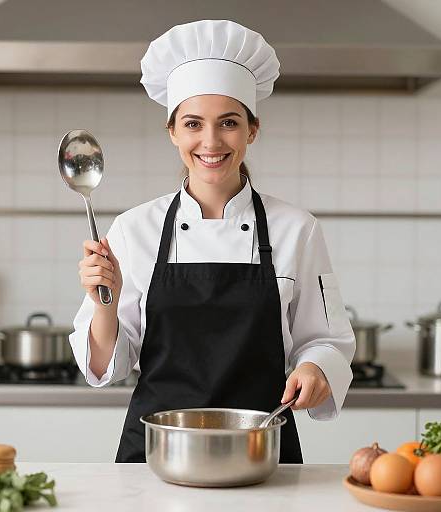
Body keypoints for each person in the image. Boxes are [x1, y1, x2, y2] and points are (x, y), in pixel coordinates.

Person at [69, 19, 356, 464]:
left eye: (228, 123)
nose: (210, 141)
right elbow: (107, 367)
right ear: (172, 132)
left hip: (261, 450)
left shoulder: (296, 228)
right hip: (156, 457)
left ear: (251, 130)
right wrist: (106, 301)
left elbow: (326, 340)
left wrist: (316, 367)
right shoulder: (132, 228)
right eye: (192, 124)